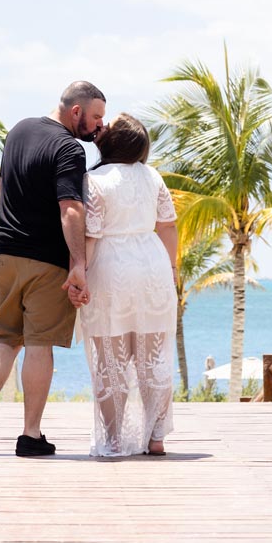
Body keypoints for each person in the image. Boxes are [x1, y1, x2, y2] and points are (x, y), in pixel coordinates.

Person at [0, 81, 106, 457]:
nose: (98, 127)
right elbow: (70, 208)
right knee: (39, 344)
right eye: (95, 118)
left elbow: (2, 187)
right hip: (46, 261)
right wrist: (78, 265)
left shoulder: (19, 130)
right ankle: (30, 435)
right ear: (76, 112)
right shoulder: (69, 148)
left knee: (4, 338)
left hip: (4, 253)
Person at [72, 113, 178, 457]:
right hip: (153, 263)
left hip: (111, 265)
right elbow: (168, 227)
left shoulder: (94, 180)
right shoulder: (154, 176)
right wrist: (172, 270)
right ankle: (156, 435)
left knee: (110, 357)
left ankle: (115, 437)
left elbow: (91, 235)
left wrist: (79, 273)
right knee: (153, 355)